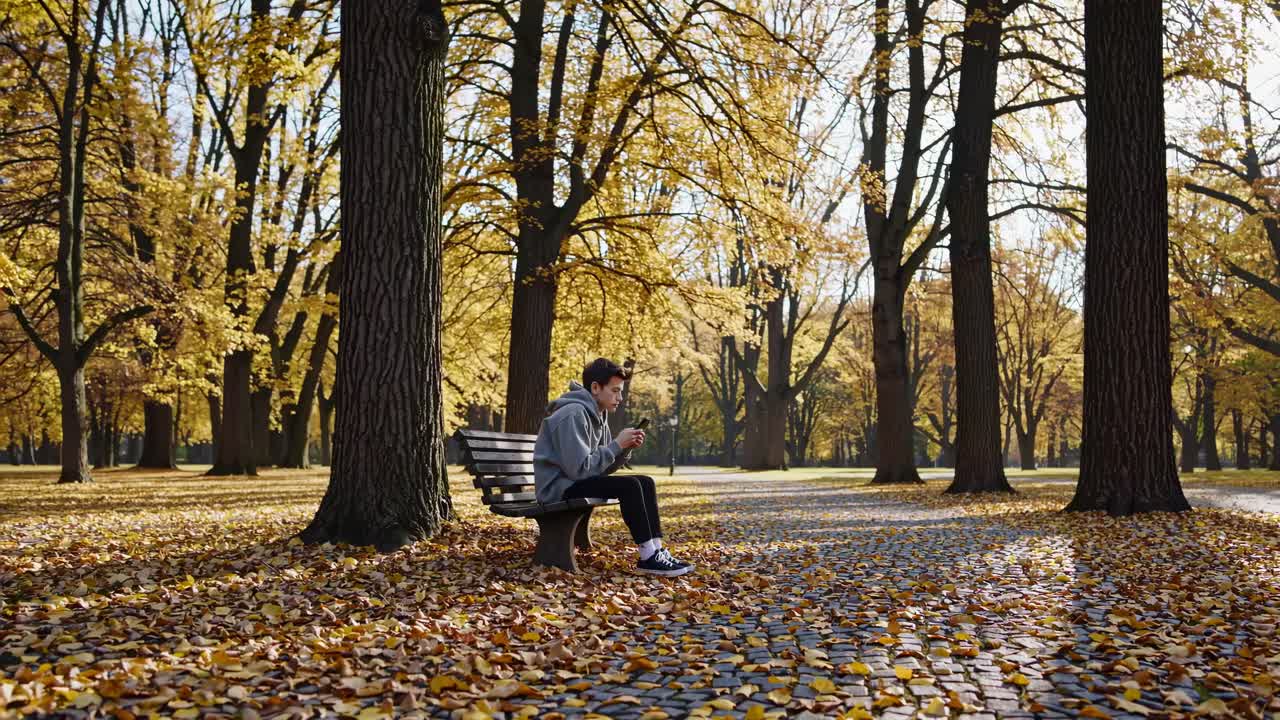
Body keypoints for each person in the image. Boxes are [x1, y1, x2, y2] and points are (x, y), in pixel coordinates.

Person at [533, 358, 695, 577]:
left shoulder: (598, 414)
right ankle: (648, 556)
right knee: (628, 486)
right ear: (595, 387)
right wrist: (617, 444)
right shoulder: (572, 414)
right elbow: (579, 470)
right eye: (615, 391)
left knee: (644, 481)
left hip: (573, 482)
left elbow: (601, 470)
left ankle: (656, 550)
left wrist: (624, 449)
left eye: (621, 391)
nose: (620, 398)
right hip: (558, 489)